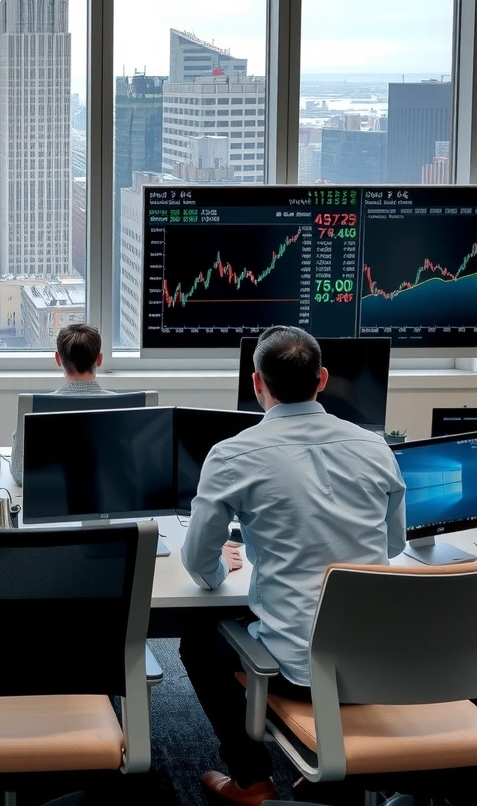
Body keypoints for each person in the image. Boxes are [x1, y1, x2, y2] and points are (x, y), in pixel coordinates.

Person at [179, 326, 406, 806]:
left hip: (299, 675)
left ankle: (253, 781)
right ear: (322, 379)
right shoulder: (375, 447)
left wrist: (221, 571)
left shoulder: (234, 454)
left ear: (257, 384)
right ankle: (326, 776)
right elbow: (392, 546)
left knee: (198, 641)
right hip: (381, 663)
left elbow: (198, 563)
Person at [9, 323, 114, 485]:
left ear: (58, 359)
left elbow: (18, 474)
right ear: (99, 359)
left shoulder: (37, 410)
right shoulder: (124, 407)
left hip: (53, 502)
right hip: (109, 502)